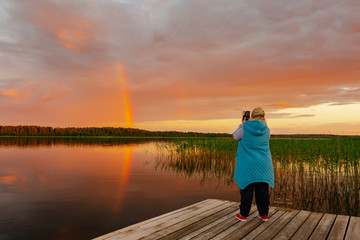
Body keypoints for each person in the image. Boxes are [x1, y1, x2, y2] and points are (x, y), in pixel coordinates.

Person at [232, 107, 274, 222]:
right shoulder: (267, 129)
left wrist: (242, 124)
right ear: (263, 116)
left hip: (248, 163)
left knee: (247, 187)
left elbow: (235, 136)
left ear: (252, 116)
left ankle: (244, 215)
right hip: (263, 164)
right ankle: (264, 214)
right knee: (263, 189)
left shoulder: (245, 127)